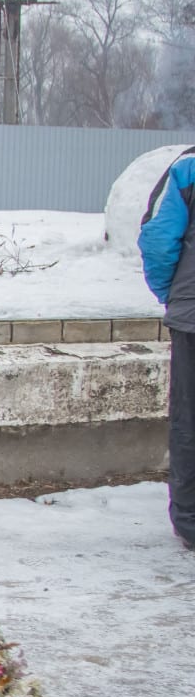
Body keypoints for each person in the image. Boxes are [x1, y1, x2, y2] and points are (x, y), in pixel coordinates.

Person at [139, 145, 195, 550]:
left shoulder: (188, 168)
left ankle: (192, 521)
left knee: (189, 421)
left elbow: (159, 240)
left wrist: (174, 296)